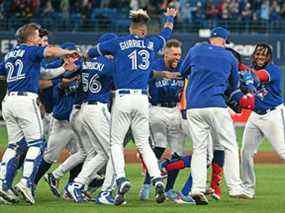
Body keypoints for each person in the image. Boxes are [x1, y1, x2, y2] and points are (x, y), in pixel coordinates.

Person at [88, 8, 177, 205]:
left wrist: (111, 55)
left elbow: (92, 52)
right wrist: (170, 16)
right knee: (144, 144)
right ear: (144, 30)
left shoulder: (118, 42)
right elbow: (167, 32)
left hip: (123, 97)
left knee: (116, 143)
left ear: (131, 29)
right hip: (142, 99)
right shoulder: (152, 42)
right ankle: (156, 179)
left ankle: (120, 179)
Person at [0, 23, 77, 205]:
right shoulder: (31, 50)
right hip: (26, 100)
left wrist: (63, 69)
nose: (39, 40)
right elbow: (49, 53)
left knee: (13, 146)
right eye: (37, 36)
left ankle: (3, 184)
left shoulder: (10, 54)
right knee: (37, 143)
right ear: (31, 38)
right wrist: (66, 52)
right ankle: (26, 182)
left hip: (8, 100)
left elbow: (43, 74)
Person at [179, 26, 254, 205]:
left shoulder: (195, 49)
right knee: (229, 146)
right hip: (216, 105)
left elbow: (183, 72)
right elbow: (233, 88)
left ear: (210, 39)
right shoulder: (229, 57)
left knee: (199, 149)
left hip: (194, 107)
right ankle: (235, 186)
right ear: (225, 41)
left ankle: (196, 188)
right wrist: (246, 96)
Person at [139, 39, 194, 204]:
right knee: (160, 147)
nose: (177, 57)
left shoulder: (183, 66)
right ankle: (148, 183)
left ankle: (169, 188)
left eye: (179, 54)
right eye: (174, 54)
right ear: (165, 53)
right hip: (156, 109)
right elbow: (142, 79)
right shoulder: (154, 65)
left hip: (174, 110)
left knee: (177, 152)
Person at [241, 43, 285, 199]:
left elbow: (258, 76)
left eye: (264, 55)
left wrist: (240, 68)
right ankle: (247, 189)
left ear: (269, 57)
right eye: (258, 54)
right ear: (254, 55)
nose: (260, 57)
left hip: (272, 114)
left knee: (283, 151)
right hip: (255, 115)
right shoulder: (249, 70)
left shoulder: (273, 70)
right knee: (246, 152)